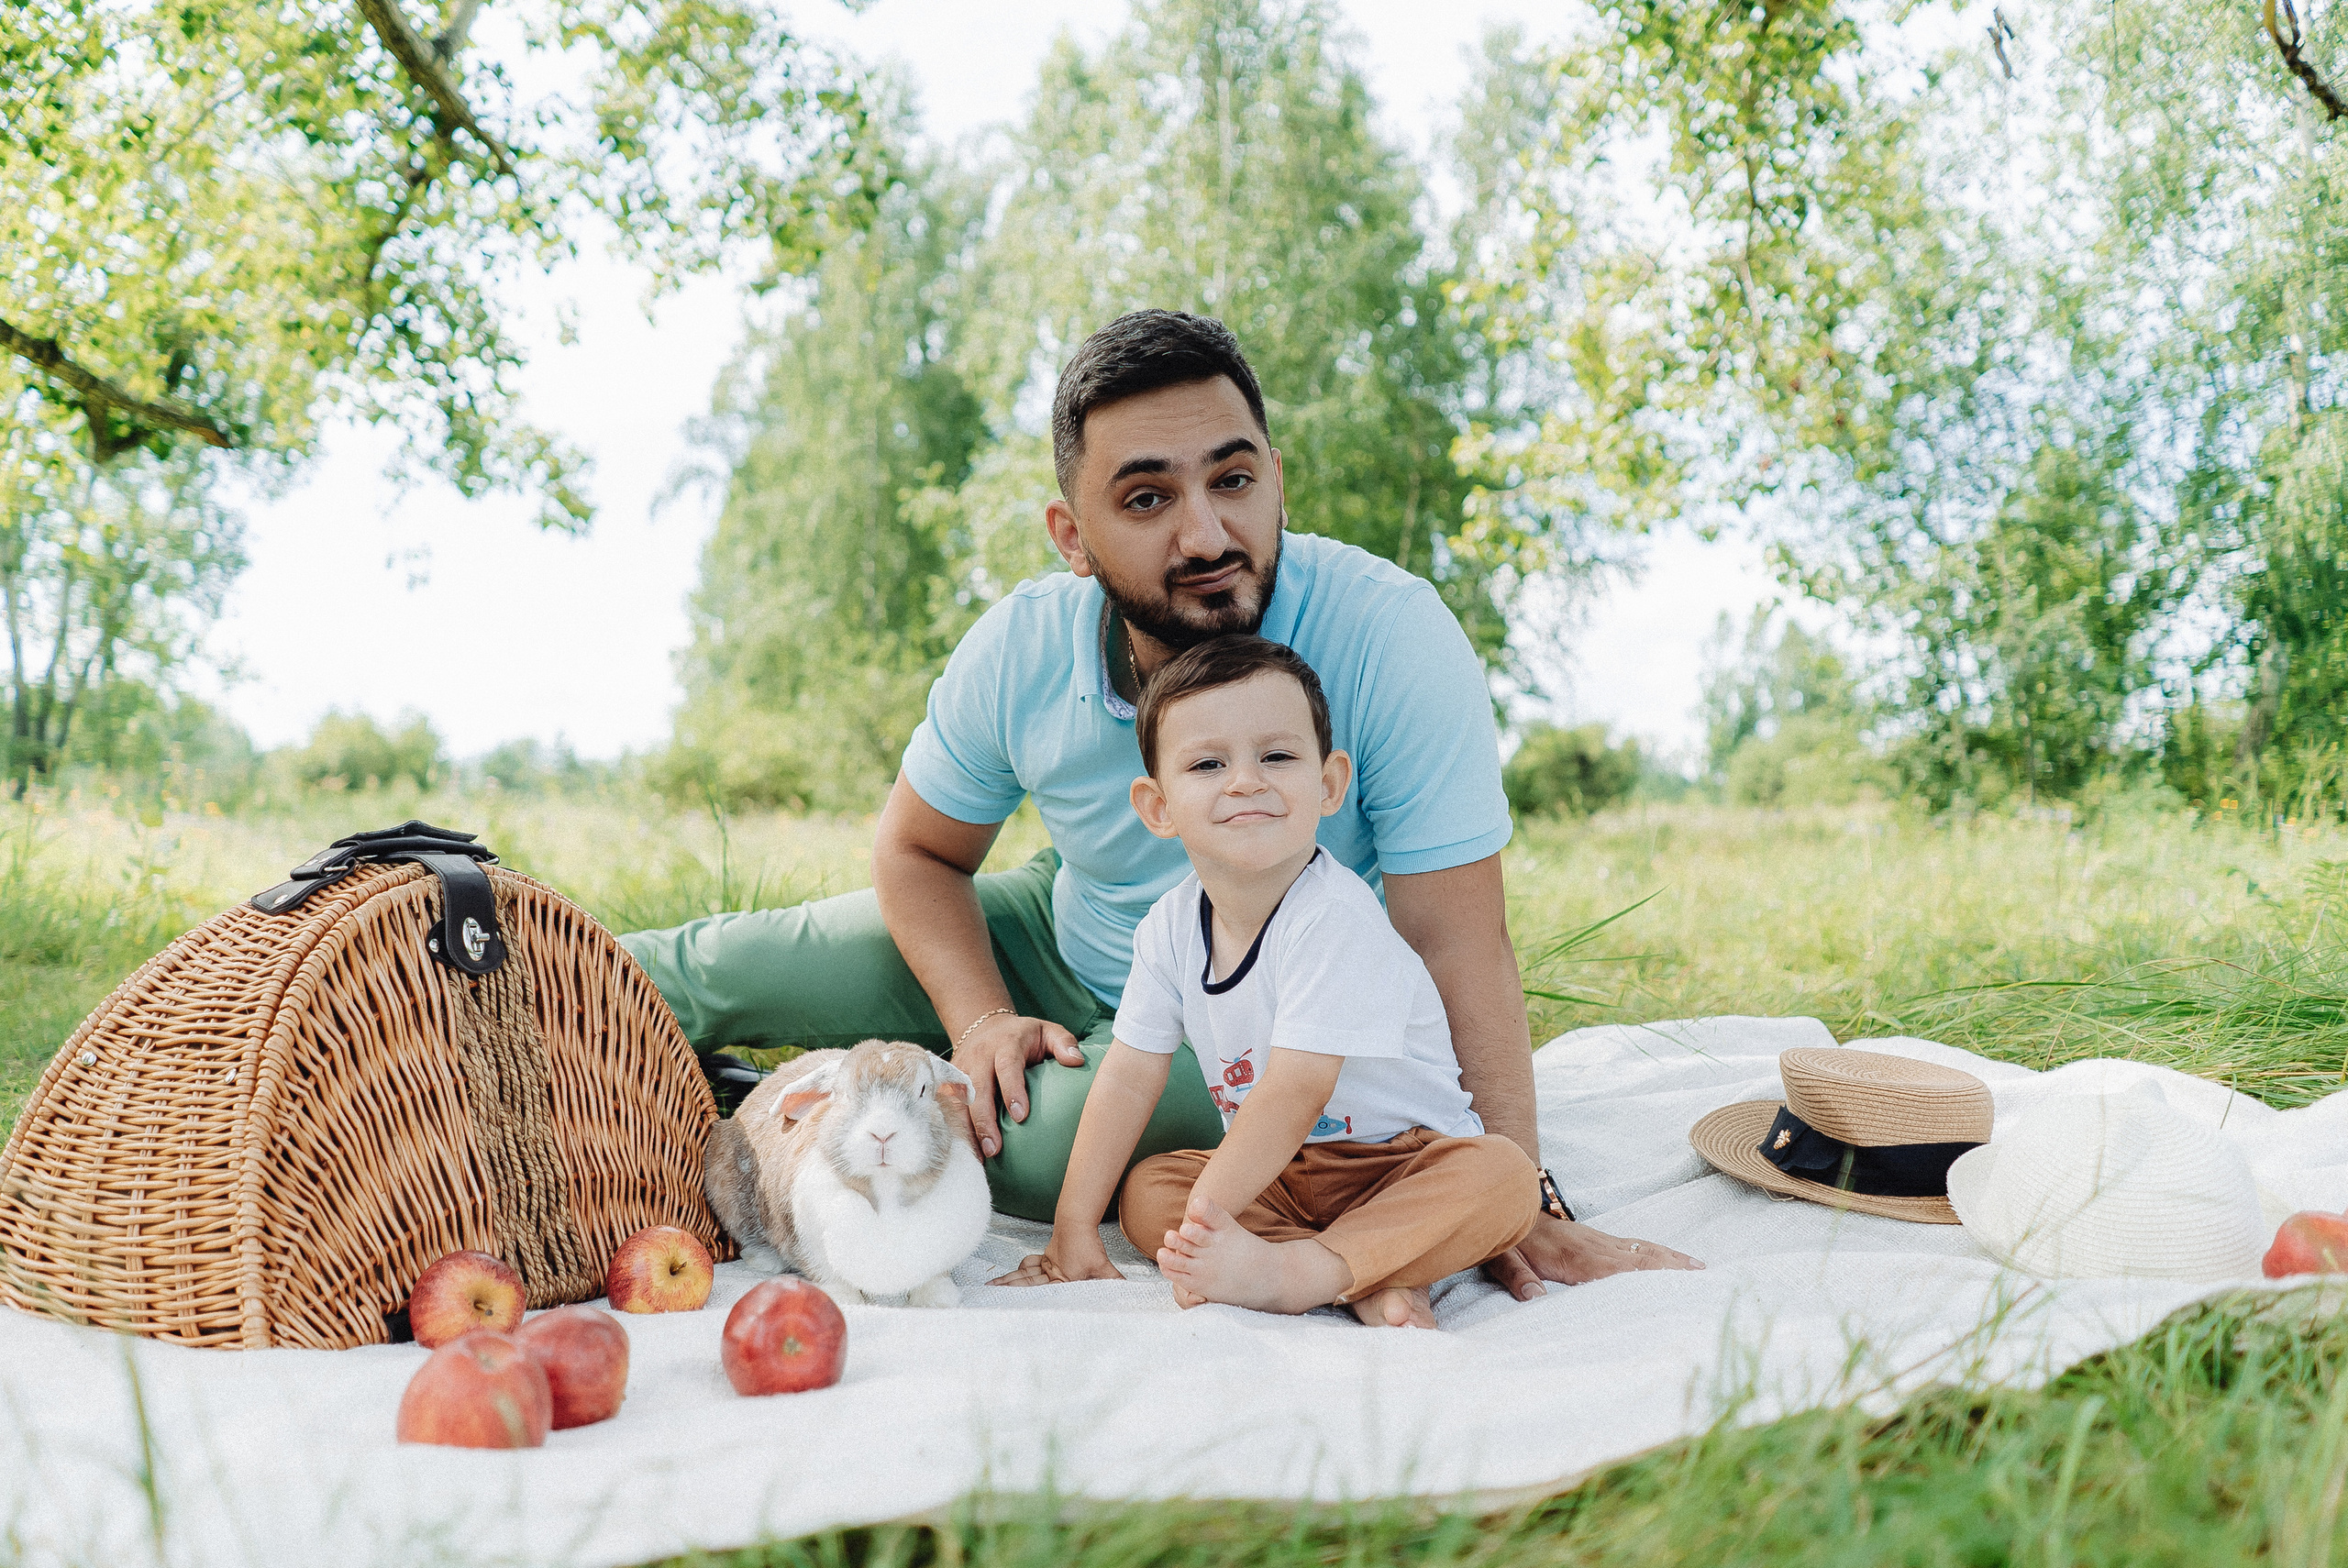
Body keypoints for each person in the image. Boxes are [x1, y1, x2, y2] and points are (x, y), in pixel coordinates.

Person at [618, 308, 1701, 1291]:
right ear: (1071, 536)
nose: (1205, 536)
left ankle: (737, 1122)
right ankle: (493, 1032)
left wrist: (1512, 1189)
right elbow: (916, 853)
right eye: (1147, 499)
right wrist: (983, 1018)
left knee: (1029, 1154)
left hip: (1254, 1018)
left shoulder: (1394, 635)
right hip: (1061, 933)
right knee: (694, 967)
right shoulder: (1023, 645)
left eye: (1232, 482)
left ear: (1276, 478)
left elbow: (1457, 940)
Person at [997, 635, 1539, 1328]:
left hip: (1402, 1162)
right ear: (1157, 806)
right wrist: (1073, 1230)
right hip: (1277, 1179)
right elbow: (1129, 1077)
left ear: (1329, 784)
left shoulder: (1332, 916)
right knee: (1148, 1188)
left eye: (1276, 756)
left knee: (1503, 1178)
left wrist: (1203, 1228)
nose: (1245, 780)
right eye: (1208, 763)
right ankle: (1366, 1272)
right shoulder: (1168, 928)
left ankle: (1296, 1272)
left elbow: (1296, 1088)